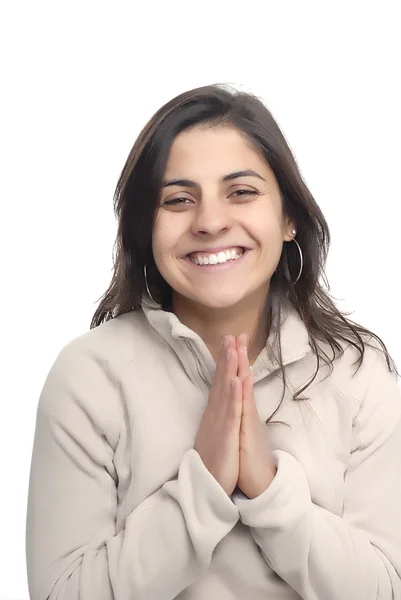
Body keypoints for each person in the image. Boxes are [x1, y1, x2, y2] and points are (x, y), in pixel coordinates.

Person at [26, 84, 401, 600]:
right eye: (178, 200)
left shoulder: (359, 372)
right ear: (145, 229)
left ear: (289, 217)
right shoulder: (90, 376)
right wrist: (202, 488)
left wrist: (270, 490)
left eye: (241, 192)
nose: (210, 222)